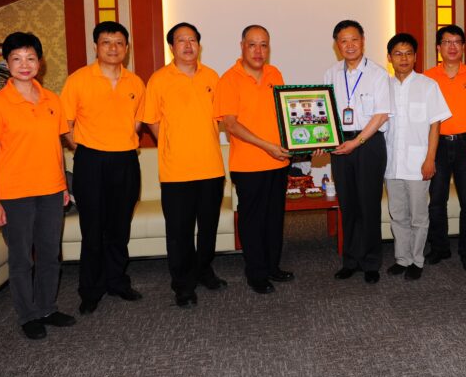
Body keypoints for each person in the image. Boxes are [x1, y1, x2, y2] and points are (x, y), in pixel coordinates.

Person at [0, 32, 76, 339]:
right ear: (7, 64)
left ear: (39, 62)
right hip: (14, 195)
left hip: (50, 191)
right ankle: (28, 315)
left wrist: (62, 186)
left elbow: (56, 147)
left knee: (50, 254)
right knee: (21, 258)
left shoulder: (52, 100)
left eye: (30, 58)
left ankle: (47, 307)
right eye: (17, 59)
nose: (24, 65)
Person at [61, 21, 146, 314]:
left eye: (119, 43)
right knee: (93, 229)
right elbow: (66, 124)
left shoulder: (135, 82)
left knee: (120, 227)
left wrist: (119, 140)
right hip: (90, 162)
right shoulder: (78, 80)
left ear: (127, 48)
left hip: (126, 160)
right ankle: (90, 290)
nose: (113, 48)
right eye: (107, 42)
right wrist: (83, 148)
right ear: (95, 46)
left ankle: (118, 282)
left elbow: (137, 122)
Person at [143, 22, 226, 308]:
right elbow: (152, 121)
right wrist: (171, 142)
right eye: (181, 40)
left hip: (211, 167)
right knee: (179, 233)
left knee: (208, 227)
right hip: (176, 171)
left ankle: (204, 270)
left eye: (193, 40)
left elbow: (220, 117)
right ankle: (183, 285)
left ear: (199, 45)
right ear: (172, 47)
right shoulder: (159, 79)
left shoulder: (212, 76)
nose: (188, 45)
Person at [214, 24, 293, 295]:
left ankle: (273, 266)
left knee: (274, 218)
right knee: (252, 221)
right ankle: (256, 273)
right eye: (252, 44)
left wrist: (303, 140)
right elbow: (231, 125)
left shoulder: (275, 73)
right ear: (242, 47)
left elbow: (285, 115)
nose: (258, 51)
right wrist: (266, 146)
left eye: (264, 45)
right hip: (248, 165)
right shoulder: (229, 79)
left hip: (278, 161)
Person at [324, 20, 392, 284]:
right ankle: (350, 260)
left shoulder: (377, 74)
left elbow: (381, 115)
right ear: (337, 45)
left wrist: (357, 142)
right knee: (348, 204)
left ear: (363, 40)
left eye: (354, 39)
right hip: (341, 143)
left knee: (368, 204)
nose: (349, 45)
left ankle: (371, 262)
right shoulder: (330, 74)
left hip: (369, 143)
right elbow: (326, 113)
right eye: (343, 40)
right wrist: (324, 139)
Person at [383, 33, 450, 280]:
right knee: (398, 214)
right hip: (391, 164)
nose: (404, 58)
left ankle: (417, 260)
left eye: (408, 53)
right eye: (398, 54)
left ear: (415, 57)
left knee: (418, 217)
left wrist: (430, 158)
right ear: (389, 57)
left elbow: (436, 125)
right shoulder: (384, 87)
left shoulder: (428, 85)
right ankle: (402, 258)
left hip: (418, 163)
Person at [425, 24, 466, 271]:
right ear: (438, 47)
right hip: (437, 144)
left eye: (457, 42)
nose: (452, 47)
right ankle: (439, 248)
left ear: (463, 46)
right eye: (447, 42)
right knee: (436, 201)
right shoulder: (428, 77)